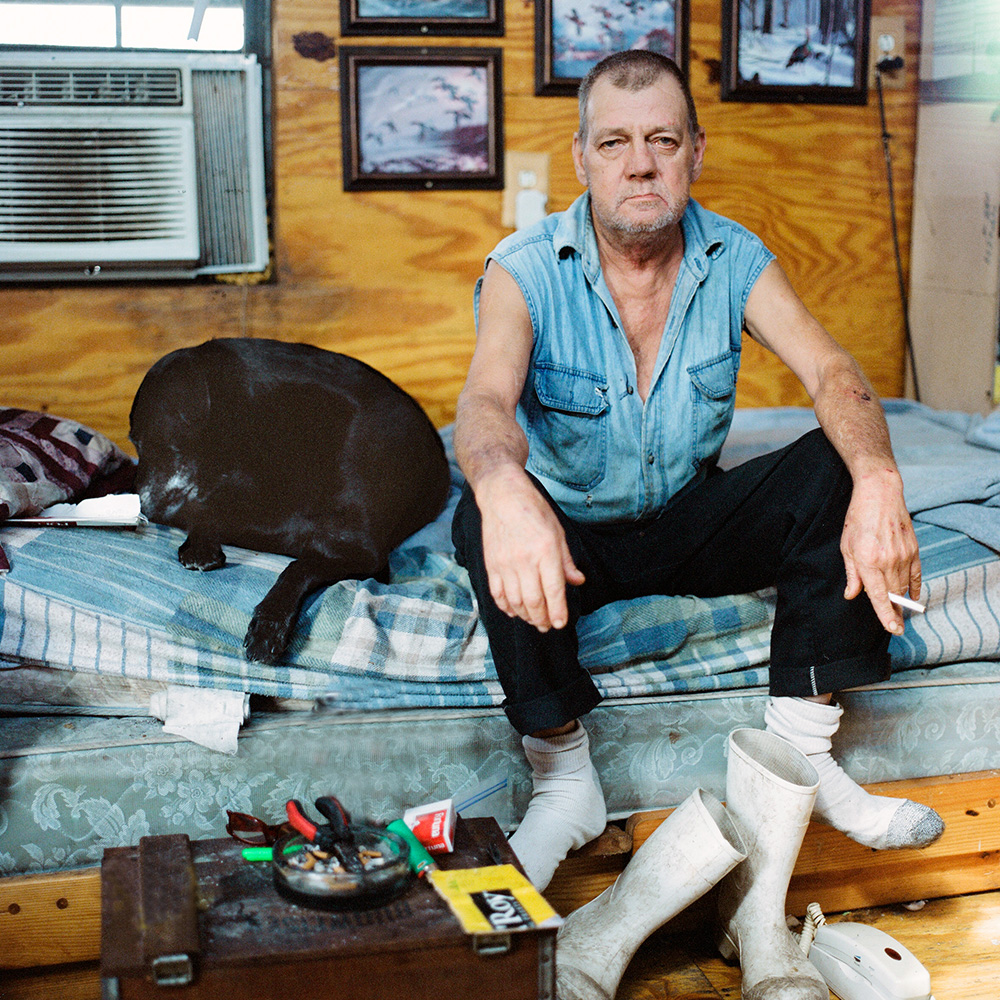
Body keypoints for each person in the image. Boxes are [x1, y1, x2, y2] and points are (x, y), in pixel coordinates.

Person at [451, 50, 943, 895]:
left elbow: (833, 376)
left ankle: (802, 755)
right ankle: (565, 781)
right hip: (575, 544)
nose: (639, 161)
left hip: (689, 523)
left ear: (695, 154)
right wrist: (502, 489)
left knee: (839, 463)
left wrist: (881, 480)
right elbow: (485, 405)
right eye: (613, 143)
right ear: (582, 158)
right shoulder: (524, 267)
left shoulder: (736, 257)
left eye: (662, 140)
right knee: (480, 513)